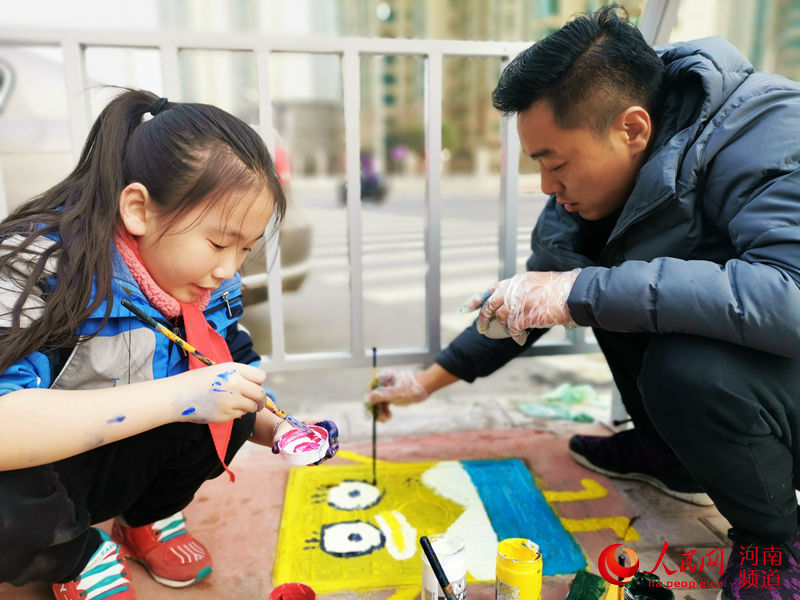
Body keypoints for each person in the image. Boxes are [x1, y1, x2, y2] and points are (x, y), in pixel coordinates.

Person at [366, 5, 800, 598]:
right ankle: (669, 456)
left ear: (632, 129)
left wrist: (580, 293)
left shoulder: (766, 131)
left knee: (664, 349)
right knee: (604, 294)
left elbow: (789, 296)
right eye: (538, 164)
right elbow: (532, 302)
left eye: (556, 162)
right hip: (743, 376)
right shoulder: (588, 195)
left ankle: (775, 542)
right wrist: (424, 382)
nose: (547, 186)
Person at [0, 89, 338, 599]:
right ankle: (74, 555)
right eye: (218, 243)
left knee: (232, 403)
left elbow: (234, 367)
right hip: (37, 468)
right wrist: (182, 396)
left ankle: (144, 520)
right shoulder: (36, 269)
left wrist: (284, 431)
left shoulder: (203, 284)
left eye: (244, 249)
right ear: (138, 209)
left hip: (108, 457)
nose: (228, 269)